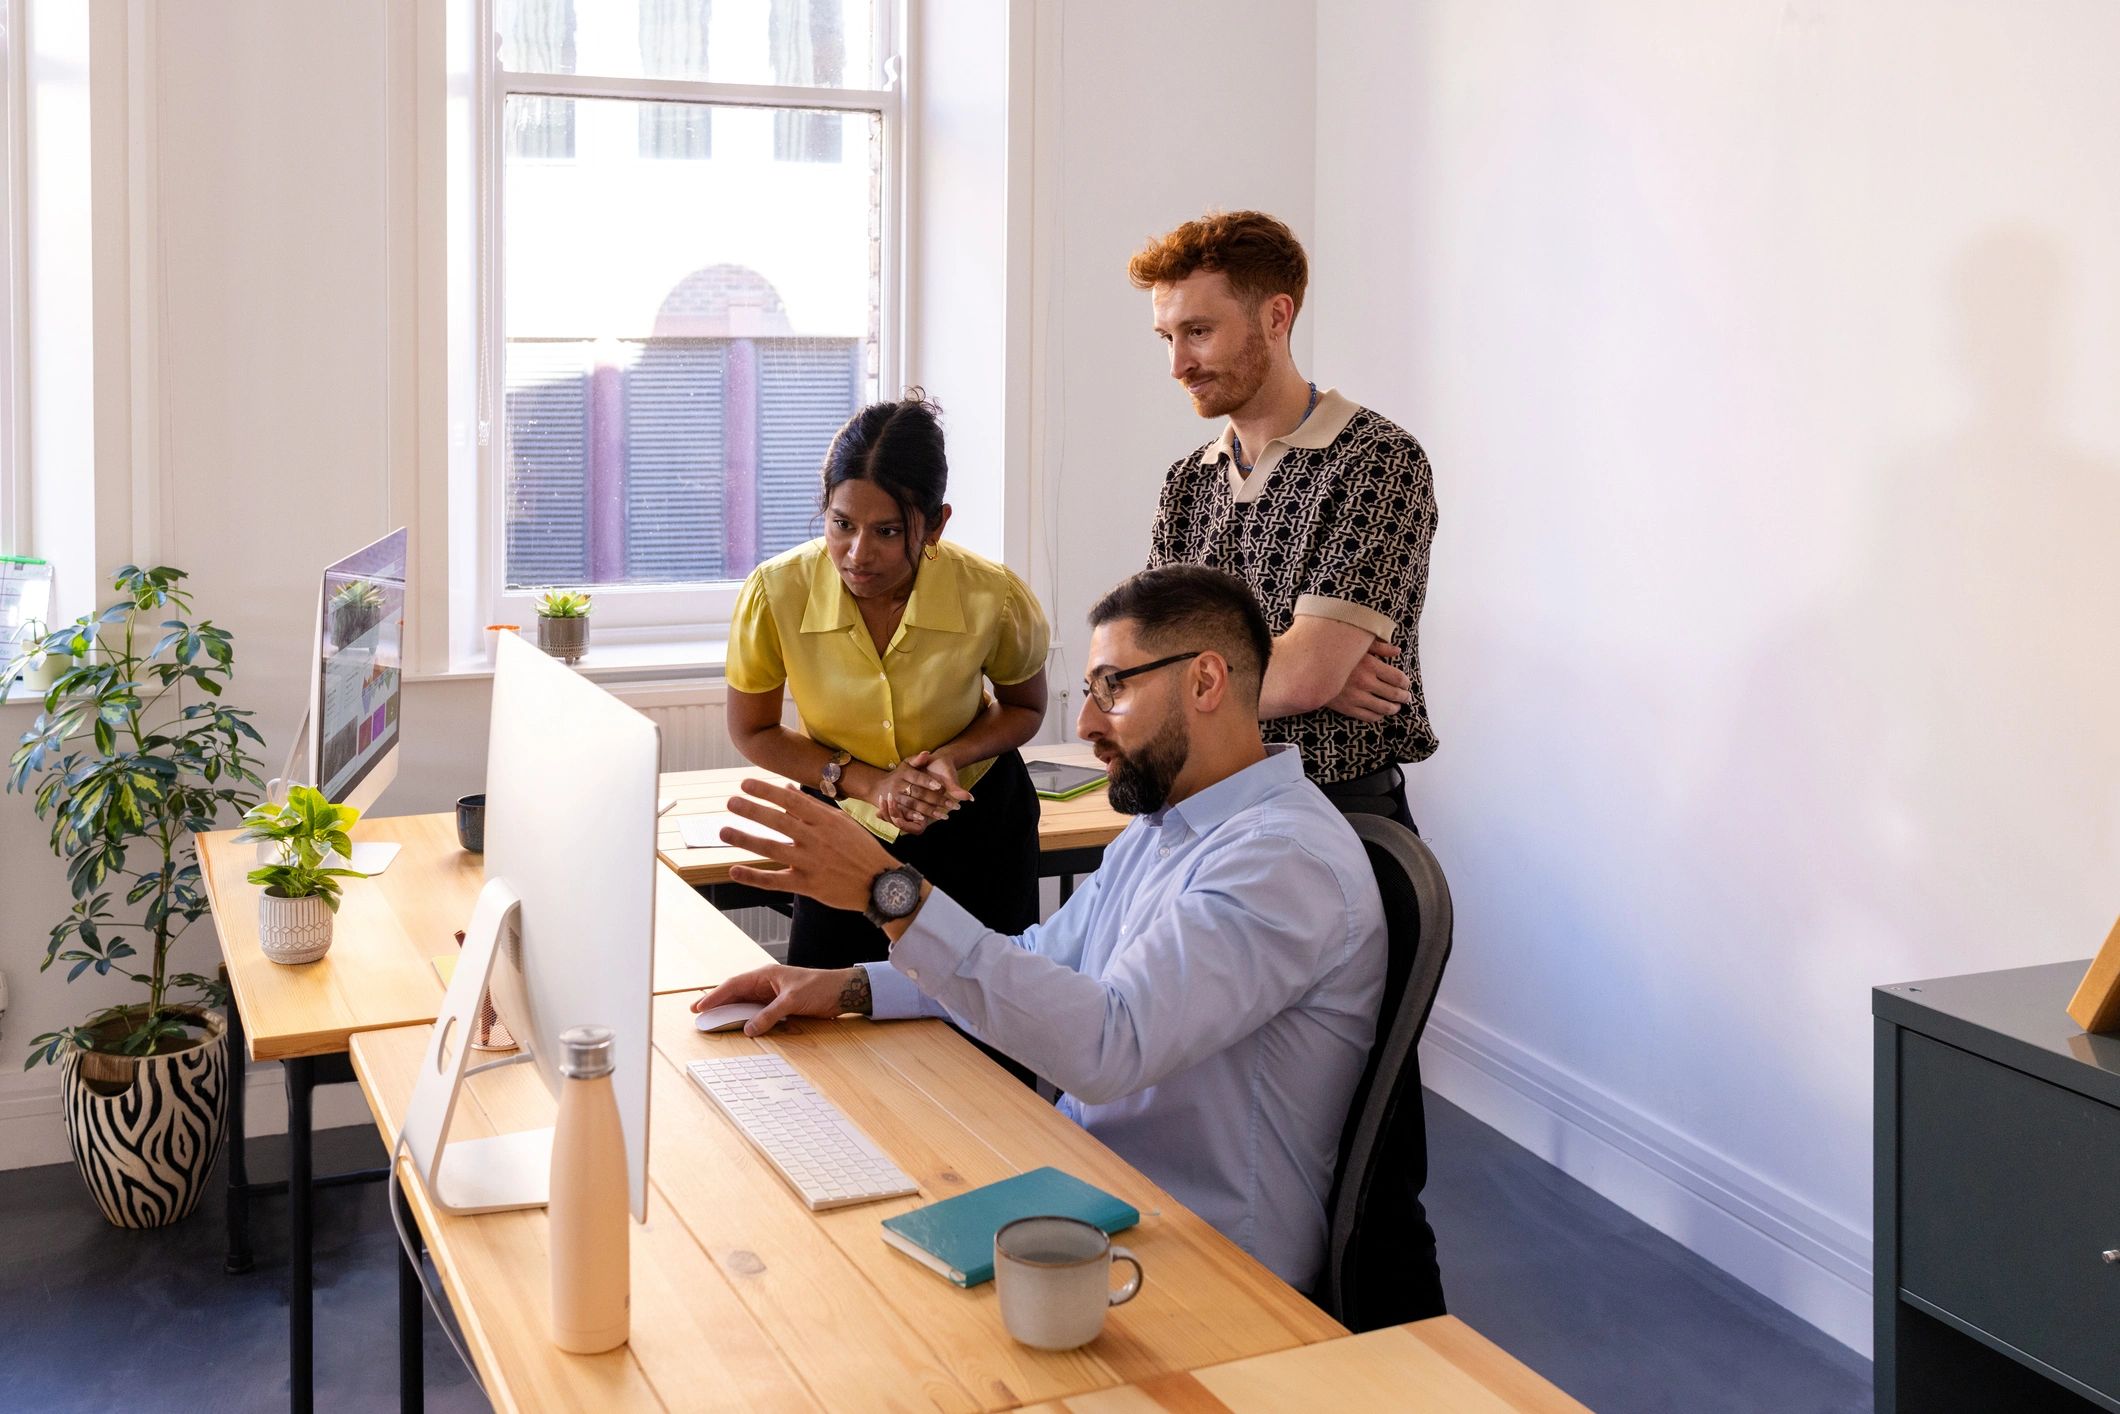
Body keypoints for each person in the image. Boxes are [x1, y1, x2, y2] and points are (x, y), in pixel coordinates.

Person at [694, 566, 1418, 1300]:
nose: (1085, 725)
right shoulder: (1167, 827)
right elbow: (1039, 960)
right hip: (1094, 1190)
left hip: (1210, 1263)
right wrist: (847, 987)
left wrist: (892, 894)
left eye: (1113, 689)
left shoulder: (1281, 861)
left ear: (1204, 683)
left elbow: (1108, 1046)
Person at [1130, 210, 1437, 831]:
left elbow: (1301, 675)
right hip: (1205, 812)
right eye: (1168, 337)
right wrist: (1305, 671)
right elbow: (1148, 671)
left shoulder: (1376, 460)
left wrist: (1302, 674)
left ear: (1276, 317)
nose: (1177, 365)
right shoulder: (1187, 483)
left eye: (1198, 332)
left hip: (1338, 818)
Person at [723, 393, 1050, 970]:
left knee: (992, 1015)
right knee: (828, 1017)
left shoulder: (991, 595)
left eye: (888, 531)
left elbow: (1024, 707)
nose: (857, 554)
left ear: (935, 525)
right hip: (841, 825)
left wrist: (949, 758)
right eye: (841, 524)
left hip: (977, 828)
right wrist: (870, 784)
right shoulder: (776, 592)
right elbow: (754, 730)